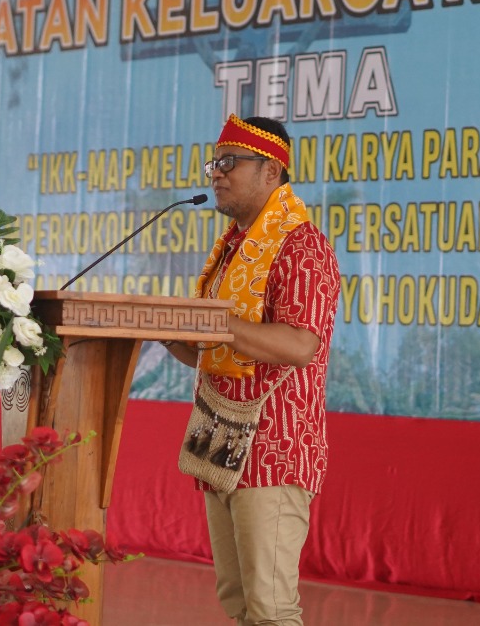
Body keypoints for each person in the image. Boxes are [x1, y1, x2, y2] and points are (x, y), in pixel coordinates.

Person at [160, 114, 340, 626]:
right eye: (215, 163)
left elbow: (301, 344)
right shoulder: (233, 251)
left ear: (271, 171)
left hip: (274, 451)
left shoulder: (302, 248)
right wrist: (170, 331)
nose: (216, 174)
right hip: (222, 442)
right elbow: (213, 353)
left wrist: (215, 320)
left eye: (229, 163)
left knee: (271, 608)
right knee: (239, 605)